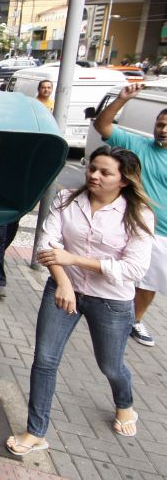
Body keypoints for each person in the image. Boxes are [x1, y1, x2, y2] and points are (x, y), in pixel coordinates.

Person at [5, 146, 155, 455]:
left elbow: (134, 269)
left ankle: (124, 403)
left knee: (111, 366)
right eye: (92, 168)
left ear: (123, 180)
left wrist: (76, 259)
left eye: (105, 172)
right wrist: (63, 281)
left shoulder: (138, 214)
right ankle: (36, 432)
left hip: (111, 301)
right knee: (45, 360)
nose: (94, 176)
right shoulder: (67, 199)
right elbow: (47, 243)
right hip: (63, 289)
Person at [94, 83, 167, 347]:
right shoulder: (137, 144)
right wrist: (121, 100)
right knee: (116, 273)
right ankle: (104, 314)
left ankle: (133, 321)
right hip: (126, 224)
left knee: (150, 282)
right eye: (160, 124)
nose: (164, 130)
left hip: (162, 235)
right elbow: (102, 127)